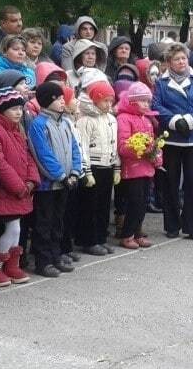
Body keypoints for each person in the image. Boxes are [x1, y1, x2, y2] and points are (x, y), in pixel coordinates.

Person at [153, 43, 193, 242]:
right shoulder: (161, 83)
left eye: (183, 59)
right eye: (176, 59)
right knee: (170, 183)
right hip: (172, 138)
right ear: (169, 63)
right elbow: (156, 105)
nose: (181, 62)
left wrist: (189, 120)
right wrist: (174, 121)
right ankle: (171, 225)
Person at [0, 86, 39, 287]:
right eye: (14, 109)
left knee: (17, 229)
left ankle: (11, 265)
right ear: (2, 109)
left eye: (20, 108)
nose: (19, 112)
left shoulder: (18, 130)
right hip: (5, 191)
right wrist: (18, 186)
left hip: (22, 189)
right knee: (13, 229)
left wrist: (32, 180)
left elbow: (28, 156)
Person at [28, 81, 83, 277]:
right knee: (44, 223)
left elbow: (74, 148)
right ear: (47, 101)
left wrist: (76, 171)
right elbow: (43, 154)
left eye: (62, 98)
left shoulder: (66, 122)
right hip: (48, 185)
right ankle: (43, 261)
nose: (62, 101)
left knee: (59, 221)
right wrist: (60, 175)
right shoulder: (39, 124)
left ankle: (56, 255)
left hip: (66, 181)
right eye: (58, 98)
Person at [73, 81, 120, 256]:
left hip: (107, 165)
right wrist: (86, 171)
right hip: (93, 167)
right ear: (96, 100)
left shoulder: (111, 119)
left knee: (103, 205)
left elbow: (114, 145)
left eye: (111, 101)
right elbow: (82, 146)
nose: (109, 104)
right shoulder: (85, 120)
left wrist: (117, 168)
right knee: (89, 206)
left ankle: (101, 237)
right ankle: (88, 240)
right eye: (105, 101)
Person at [114, 82, 161, 249]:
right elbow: (123, 146)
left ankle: (137, 232)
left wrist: (156, 155)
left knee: (144, 203)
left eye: (148, 101)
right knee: (135, 202)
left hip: (146, 168)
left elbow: (153, 142)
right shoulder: (124, 118)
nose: (146, 104)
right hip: (132, 169)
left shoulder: (147, 120)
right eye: (143, 101)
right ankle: (127, 234)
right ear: (132, 101)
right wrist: (140, 149)